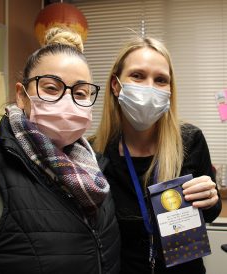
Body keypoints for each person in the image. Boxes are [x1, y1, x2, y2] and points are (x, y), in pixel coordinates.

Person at [0, 27, 120, 274]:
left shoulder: (96, 175)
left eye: (80, 92)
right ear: (21, 95)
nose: (68, 101)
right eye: (51, 88)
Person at [90, 36, 222, 274]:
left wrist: (211, 199)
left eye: (161, 80)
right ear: (115, 84)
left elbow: (209, 214)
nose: (149, 87)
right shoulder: (95, 153)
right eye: (137, 76)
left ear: (170, 90)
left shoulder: (190, 141)